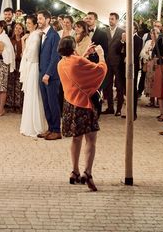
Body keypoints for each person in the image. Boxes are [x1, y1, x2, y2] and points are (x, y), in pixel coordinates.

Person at [57, 36, 107, 191]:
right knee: (91, 139)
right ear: (73, 47)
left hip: (69, 104)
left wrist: (83, 54)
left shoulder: (61, 63)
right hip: (84, 104)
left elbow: (75, 64)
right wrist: (101, 55)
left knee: (75, 139)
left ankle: (74, 171)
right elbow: (100, 70)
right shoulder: (78, 62)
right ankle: (88, 172)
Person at [19, 15, 48, 137]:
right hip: (30, 66)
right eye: (27, 23)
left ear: (35, 24)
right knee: (29, 95)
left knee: (33, 94)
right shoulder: (32, 35)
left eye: (29, 23)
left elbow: (29, 54)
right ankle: (28, 123)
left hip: (33, 66)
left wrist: (24, 44)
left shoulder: (36, 36)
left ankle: (36, 125)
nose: (27, 25)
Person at [37, 10, 61, 139]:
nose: (38, 21)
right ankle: (50, 128)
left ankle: (57, 130)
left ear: (47, 20)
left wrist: (48, 74)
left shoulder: (54, 35)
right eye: (38, 19)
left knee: (53, 103)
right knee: (46, 103)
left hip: (50, 76)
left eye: (40, 19)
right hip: (42, 73)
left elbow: (55, 57)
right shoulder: (42, 35)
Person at [104, 13, 124, 114]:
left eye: (112, 19)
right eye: (109, 19)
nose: (110, 21)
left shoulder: (122, 32)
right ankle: (110, 108)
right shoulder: (105, 31)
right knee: (108, 85)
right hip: (107, 61)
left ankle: (119, 109)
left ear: (117, 20)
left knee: (119, 86)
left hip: (118, 62)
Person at [7, 22, 25, 112]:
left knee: (19, 83)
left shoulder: (24, 40)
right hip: (12, 63)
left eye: (19, 28)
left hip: (21, 63)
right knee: (11, 83)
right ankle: (11, 104)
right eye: (16, 28)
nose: (17, 30)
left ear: (22, 30)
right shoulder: (10, 40)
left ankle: (19, 104)